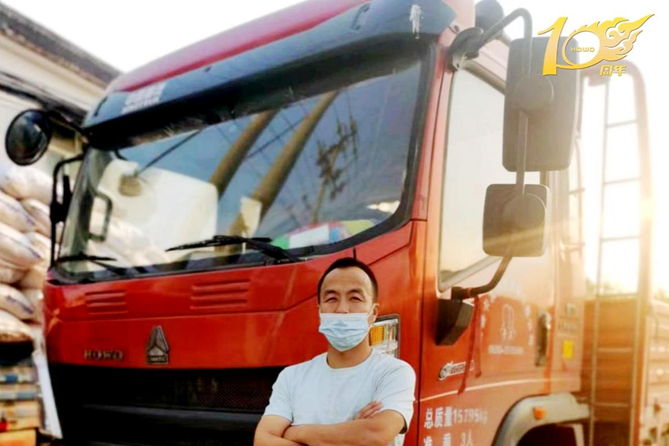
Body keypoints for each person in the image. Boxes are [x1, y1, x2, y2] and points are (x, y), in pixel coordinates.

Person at [254, 257, 416, 446]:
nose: (342, 309)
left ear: (373, 313)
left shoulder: (394, 372)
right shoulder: (291, 377)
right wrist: (351, 433)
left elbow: (376, 434)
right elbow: (263, 440)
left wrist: (296, 432)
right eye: (332, 299)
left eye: (355, 298)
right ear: (320, 311)